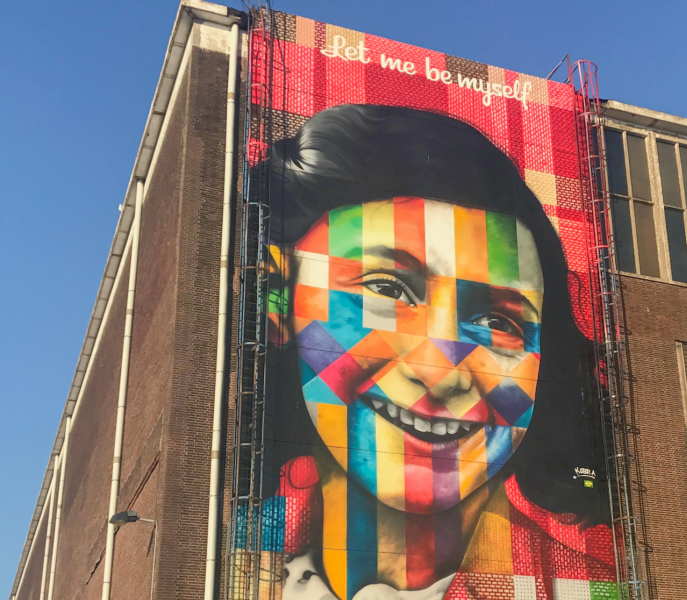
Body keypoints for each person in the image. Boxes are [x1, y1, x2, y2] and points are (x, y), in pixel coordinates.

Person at [254, 104, 616, 600]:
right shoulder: (233, 544)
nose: (443, 373)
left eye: (498, 322)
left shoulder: (585, 589)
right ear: (279, 297)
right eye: (387, 289)